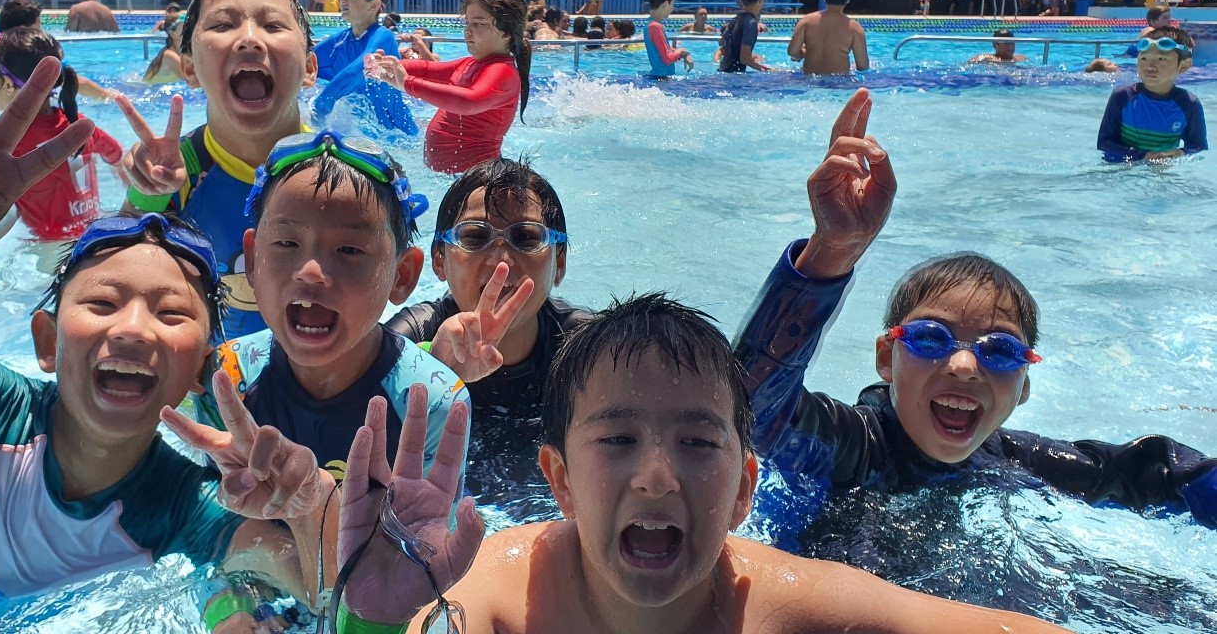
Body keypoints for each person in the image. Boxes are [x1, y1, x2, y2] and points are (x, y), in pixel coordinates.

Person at [0, 61, 331, 625]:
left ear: (202, 370)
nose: (133, 329)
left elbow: (322, 593)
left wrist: (312, 510)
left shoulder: (181, 508)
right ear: (46, 341)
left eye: (170, 313)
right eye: (101, 304)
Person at [324, 300, 1076, 634]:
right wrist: (375, 622)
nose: (657, 475)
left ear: (747, 486)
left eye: (697, 443)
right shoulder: (499, 594)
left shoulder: (785, 603)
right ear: (558, 482)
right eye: (617, 441)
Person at [738, 89, 1217, 537]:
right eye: (930, 338)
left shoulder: (1013, 460)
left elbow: (1151, 472)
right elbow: (748, 408)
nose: (965, 366)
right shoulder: (851, 446)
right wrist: (832, 249)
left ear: (1024, 386)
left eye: (1002, 351)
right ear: (887, 359)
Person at [192, 129, 470, 487]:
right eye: (286, 242)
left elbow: (431, 540)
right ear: (253, 259)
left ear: (402, 276)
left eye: (349, 250)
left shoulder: (432, 402)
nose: (311, 272)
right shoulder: (229, 378)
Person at [119, 0, 318, 340]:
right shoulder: (179, 176)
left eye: (273, 26)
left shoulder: (341, 173)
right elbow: (116, 274)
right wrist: (145, 196)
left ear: (309, 68)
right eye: (223, 25)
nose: (249, 40)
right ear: (190, 69)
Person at [388, 158, 588, 419]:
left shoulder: (586, 349)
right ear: (440, 260)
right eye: (475, 237)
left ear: (559, 263)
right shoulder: (412, 338)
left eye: (527, 238)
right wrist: (428, 370)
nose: (501, 261)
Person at [368, 0, 531, 174]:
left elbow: (468, 101)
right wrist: (389, 65)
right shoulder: (469, 63)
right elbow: (428, 69)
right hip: (452, 177)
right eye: (467, 23)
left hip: (476, 177)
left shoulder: (503, 72)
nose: (467, 31)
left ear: (506, 32)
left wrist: (408, 84)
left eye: (478, 24)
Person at [0, 27, 123, 245]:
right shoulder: (78, 123)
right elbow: (116, 155)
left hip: (46, 245)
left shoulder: (10, 142)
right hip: (90, 234)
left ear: (8, 84)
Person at [310, 0, 414, 134]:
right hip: (362, 133)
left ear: (374, 5)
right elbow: (303, 64)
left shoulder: (384, 37)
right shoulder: (340, 41)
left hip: (397, 133)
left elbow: (359, 69)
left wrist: (318, 109)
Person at [1096, 27, 1207, 162]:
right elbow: (1104, 142)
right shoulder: (1123, 96)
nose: (1150, 66)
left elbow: (1198, 146)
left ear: (1183, 66)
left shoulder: (1189, 105)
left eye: (1161, 59)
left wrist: (1177, 154)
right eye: (1144, 58)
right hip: (1121, 168)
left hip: (1161, 172)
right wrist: (1142, 156)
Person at [788, 0, 870, 75]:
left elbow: (792, 51)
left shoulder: (806, 21)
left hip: (809, 79)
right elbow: (863, 66)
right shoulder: (855, 28)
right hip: (839, 81)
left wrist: (803, 53)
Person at [718, 0, 771, 73]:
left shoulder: (735, 20)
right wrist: (766, 69)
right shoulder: (751, 23)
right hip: (734, 77)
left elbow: (722, 42)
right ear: (761, 0)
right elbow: (745, 58)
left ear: (741, 0)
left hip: (722, 71)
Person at [642, 0, 693, 76]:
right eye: (672, 4)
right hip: (662, 79)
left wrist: (683, 53)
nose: (672, 8)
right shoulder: (656, 27)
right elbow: (667, 58)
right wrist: (681, 50)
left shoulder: (650, 24)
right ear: (665, 4)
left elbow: (663, 51)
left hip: (658, 77)